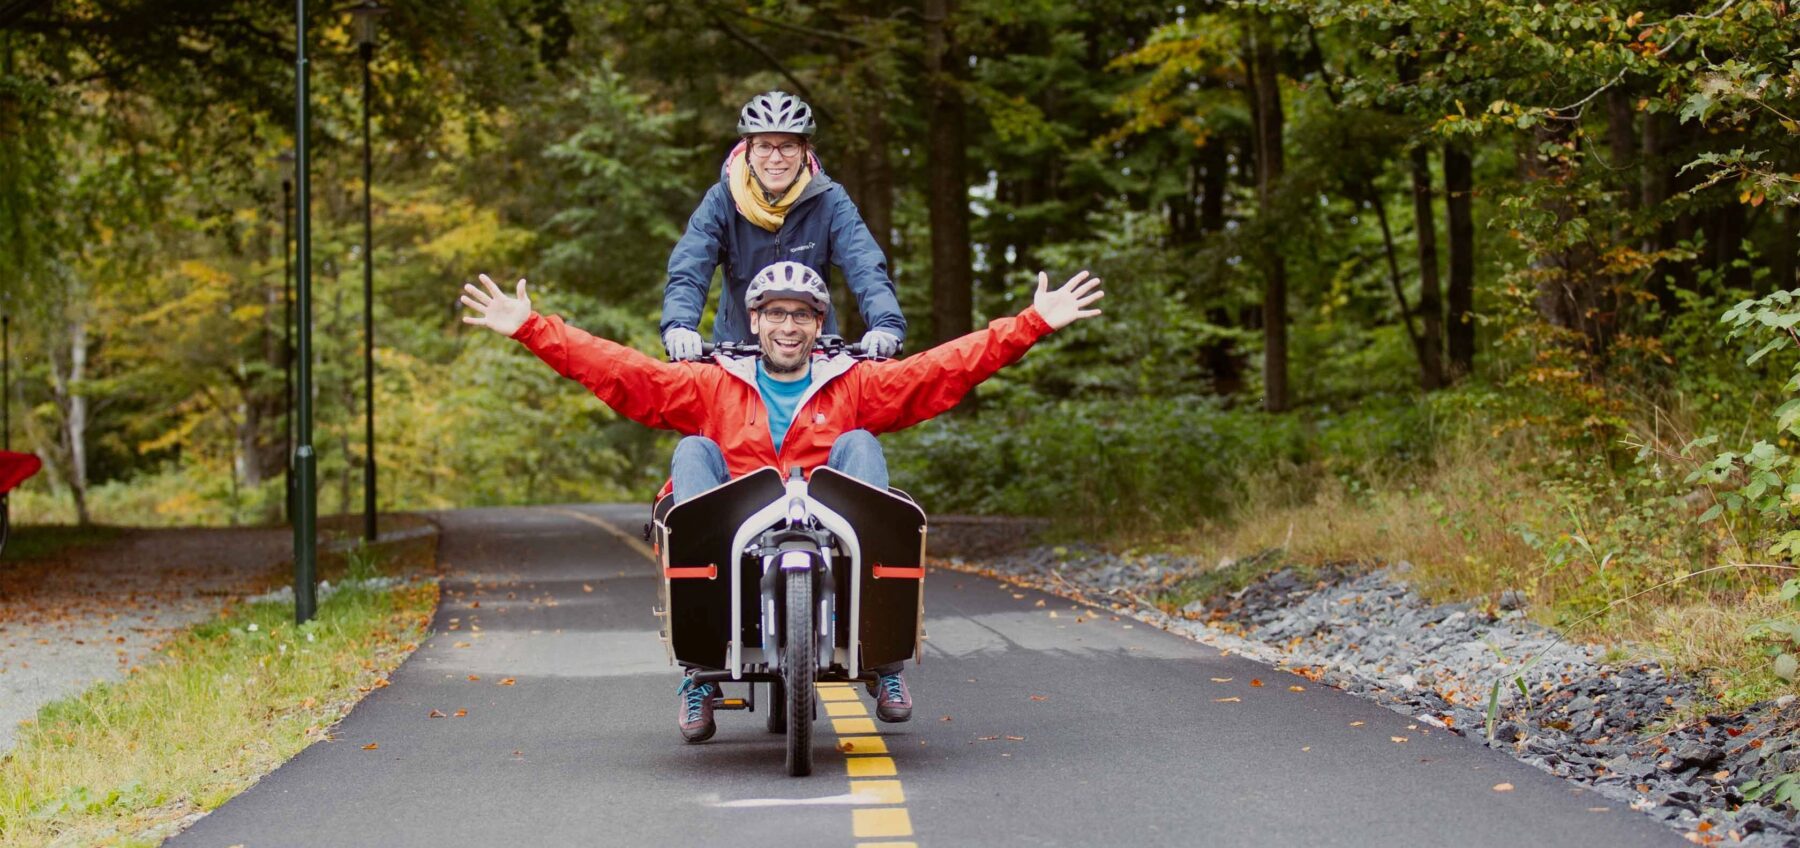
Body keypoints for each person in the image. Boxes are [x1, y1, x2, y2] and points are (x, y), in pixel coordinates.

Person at [460, 261, 1103, 742]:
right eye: (775, 314)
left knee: (860, 442)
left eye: (801, 315)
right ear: (754, 321)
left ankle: (881, 659)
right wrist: (531, 329)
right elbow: (625, 373)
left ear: (819, 325)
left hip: (831, 520)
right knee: (690, 450)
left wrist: (1033, 321)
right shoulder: (714, 382)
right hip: (737, 520)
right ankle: (701, 670)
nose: (788, 326)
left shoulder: (850, 380)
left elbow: (943, 369)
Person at [660, 91, 906, 361]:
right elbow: (689, 268)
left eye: (787, 146)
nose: (775, 158)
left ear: (803, 151)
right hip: (738, 354)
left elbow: (865, 265)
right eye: (764, 146)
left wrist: (886, 325)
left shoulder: (830, 200)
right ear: (748, 150)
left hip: (813, 354)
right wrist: (679, 326)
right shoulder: (722, 200)